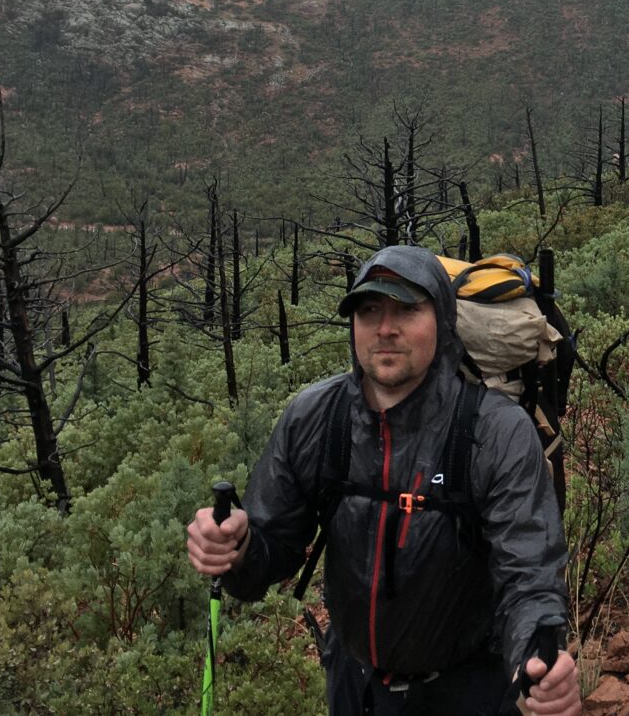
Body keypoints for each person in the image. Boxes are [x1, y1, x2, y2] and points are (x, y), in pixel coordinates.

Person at [186, 245, 580, 715]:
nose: (386, 328)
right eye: (370, 309)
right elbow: (272, 552)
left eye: (407, 309)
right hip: (356, 689)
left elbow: (529, 572)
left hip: (472, 689)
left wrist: (537, 656)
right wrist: (237, 548)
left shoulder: (493, 431)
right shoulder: (315, 418)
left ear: (443, 320)